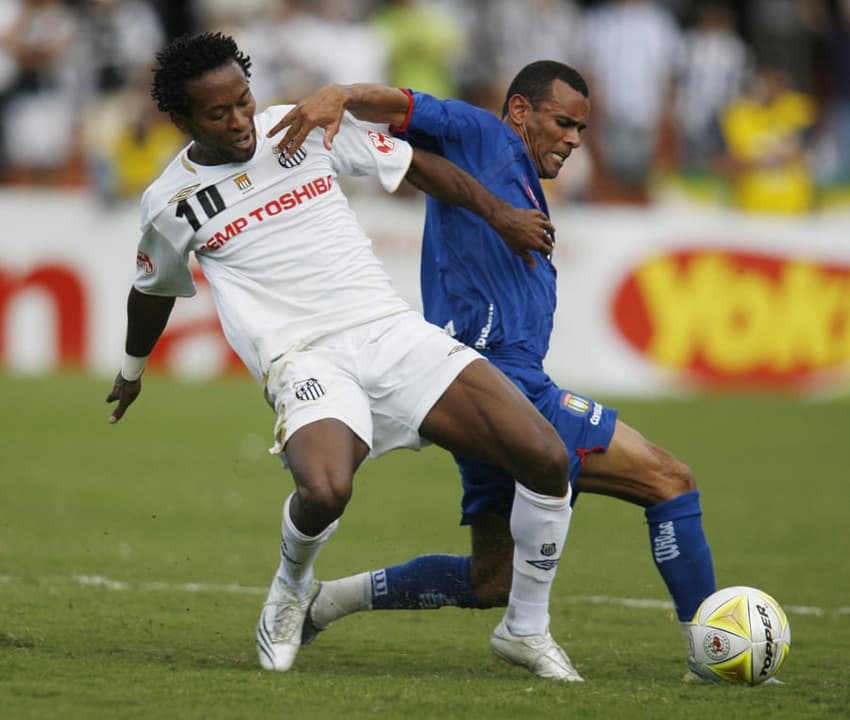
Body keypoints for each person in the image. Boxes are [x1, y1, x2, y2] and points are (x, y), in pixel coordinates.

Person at [104, 32, 581, 680]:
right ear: (183, 120)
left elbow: (413, 164)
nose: (242, 122)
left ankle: (525, 629)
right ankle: (289, 590)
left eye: (244, 101)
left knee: (547, 457)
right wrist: (131, 373)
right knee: (326, 489)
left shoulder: (299, 127)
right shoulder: (170, 201)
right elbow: (150, 291)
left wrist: (498, 212)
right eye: (219, 114)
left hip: (388, 331)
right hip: (304, 358)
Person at [268, 61, 717, 681]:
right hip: (504, 382)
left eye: (583, 129)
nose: (574, 140)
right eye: (563, 122)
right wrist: (339, 95)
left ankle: (327, 602)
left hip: (470, 388)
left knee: (492, 578)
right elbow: (403, 105)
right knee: (669, 480)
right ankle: (713, 649)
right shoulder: (483, 135)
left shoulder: (514, 176)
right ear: (521, 111)